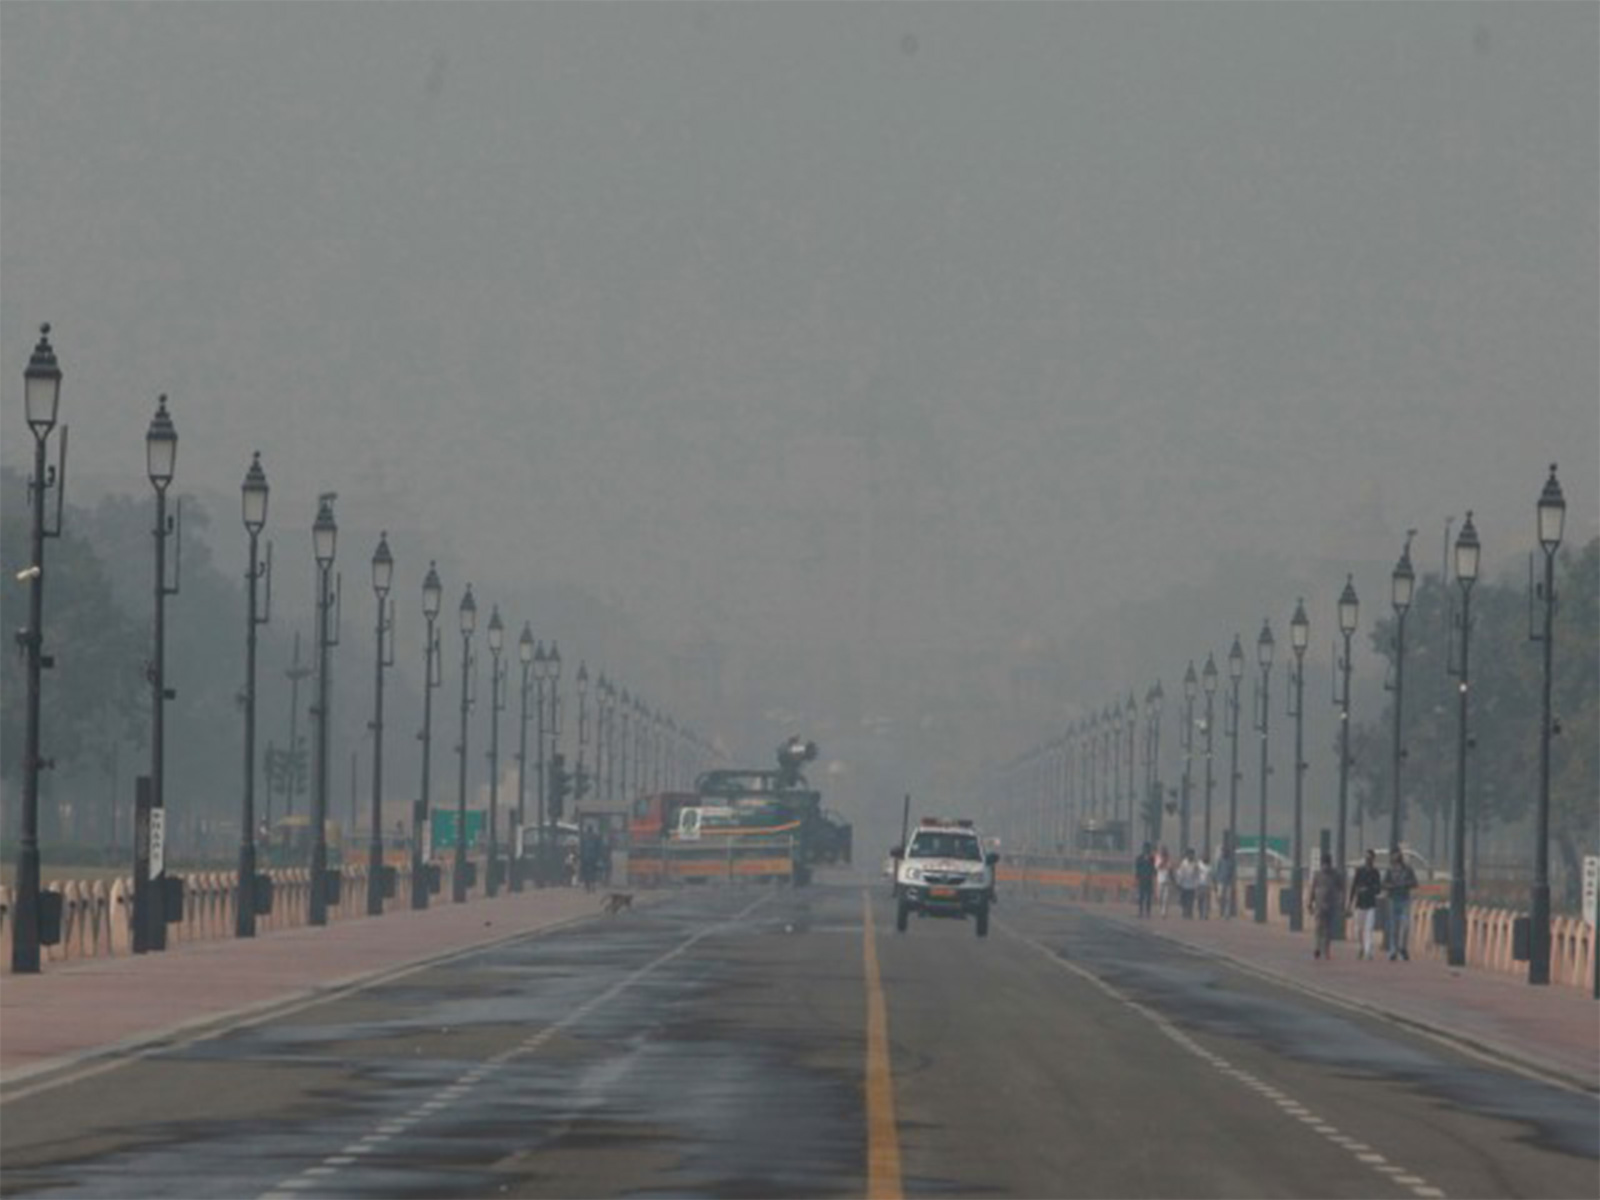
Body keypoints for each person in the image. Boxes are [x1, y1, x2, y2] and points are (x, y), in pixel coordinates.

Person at [1382, 847, 1419, 961]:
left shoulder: (1408, 869)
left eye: (1397, 853)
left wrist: (1405, 884)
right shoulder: (1389, 870)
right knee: (1394, 927)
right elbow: (1383, 884)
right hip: (1393, 899)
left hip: (1404, 899)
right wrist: (1391, 886)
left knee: (1406, 925)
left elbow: (1415, 883)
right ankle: (1393, 950)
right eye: (1393, 854)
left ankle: (1402, 947)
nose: (1395, 856)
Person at [1348, 848, 1382, 960]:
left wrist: (1369, 889)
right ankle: (1361, 947)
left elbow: (1378, 889)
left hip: (1371, 904)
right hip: (1360, 904)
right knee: (1358, 929)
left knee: (1369, 928)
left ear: (1373, 859)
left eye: (1370, 858)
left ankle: (1368, 952)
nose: (1368, 860)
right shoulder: (1360, 871)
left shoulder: (1375, 872)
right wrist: (1349, 903)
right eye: (1366, 858)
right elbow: (1353, 887)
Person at [1309, 852, 1342, 959]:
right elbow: (1312, 889)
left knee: (1328, 929)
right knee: (1318, 927)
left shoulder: (1335, 875)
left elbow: (1341, 889)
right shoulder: (1317, 875)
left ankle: (1326, 950)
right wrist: (1310, 902)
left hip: (1331, 905)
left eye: (1327, 864)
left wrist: (1340, 901)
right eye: (1324, 864)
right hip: (1319, 905)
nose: (1326, 867)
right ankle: (1317, 947)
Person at [1174, 848, 1201, 918]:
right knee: (1184, 901)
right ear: (1187, 855)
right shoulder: (1183, 863)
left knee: (1191, 901)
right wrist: (1178, 883)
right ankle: (1184, 912)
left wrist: (1197, 884)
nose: (1191, 856)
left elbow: (1197, 875)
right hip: (1184, 885)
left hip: (1192, 886)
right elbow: (1180, 873)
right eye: (1189, 854)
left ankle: (1189, 913)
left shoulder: (1195, 864)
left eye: (1192, 854)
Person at [1213, 842, 1237, 918]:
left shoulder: (1231, 861)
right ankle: (1221, 911)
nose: (1225, 853)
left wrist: (1233, 881)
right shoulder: (1220, 860)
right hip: (1220, 881)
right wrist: (1215, 881)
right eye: (1224, 851)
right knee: (1220, 897)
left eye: (1226, 851)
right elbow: (1217, 870)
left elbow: (1233, 872)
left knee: (1228, 898)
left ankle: (1226, 914)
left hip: (1228, 882)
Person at [1134, 842, 1156, 918]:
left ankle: (1148, 913)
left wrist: (1154, 875)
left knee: (1149, 898)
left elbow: (1153, 869)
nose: (1146, 850)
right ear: (1143, 849)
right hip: (1142, 880)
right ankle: (1140, 912)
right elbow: (1137, 869)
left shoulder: (1152, 859)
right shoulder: (1139, 858)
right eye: (1145, 848)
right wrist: (1137, 879)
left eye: (1148, 848)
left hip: (1149, 880)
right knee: (1141, 897)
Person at [1156, 845, 1174, 917]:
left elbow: (1170, 870)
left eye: (1165, 851)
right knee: (1160, 897)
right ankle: (1161, 909)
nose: (1164, 852)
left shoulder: (1169, 859)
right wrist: (1163, 861)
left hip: (1167, 881)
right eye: (1162, 851)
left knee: (1166, 898)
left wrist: (1173, 880)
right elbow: (1157, 867)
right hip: (1160, 880)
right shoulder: (1158, 858)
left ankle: (1164, 912)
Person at [1195, 853, 1212, 919]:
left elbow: (1210, 877)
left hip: (1206, 885)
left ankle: (1204, 915)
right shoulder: (1199, 864)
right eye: (1204, 857)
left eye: (1206, 857)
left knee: (1206, 901)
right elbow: (1195, 872)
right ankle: (1201, 913)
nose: (1205, 858)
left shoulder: (1209, 867)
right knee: (1200, 900)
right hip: (1199, 884)